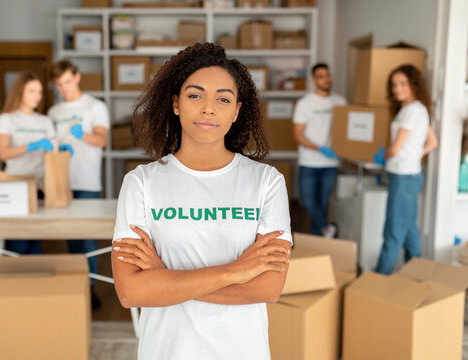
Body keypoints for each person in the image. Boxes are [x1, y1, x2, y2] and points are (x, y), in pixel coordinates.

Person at [111, 43, 292, 360]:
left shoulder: (267, 183)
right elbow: (132, 292)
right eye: (195, 95)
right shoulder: (141, 183)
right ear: (176, 103)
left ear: (236, 111)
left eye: (223, 99)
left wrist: (166, 279)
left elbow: (268, 289)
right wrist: (235, 272)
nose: (209, 108)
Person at [48, 60, 110, 309]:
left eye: (67, 81)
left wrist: (80, 134)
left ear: (77, 77)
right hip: (60, 181)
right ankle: (74, 286)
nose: (64, 88)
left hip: (86, 180)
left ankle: (90, 289)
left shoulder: (94, 107)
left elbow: (101, 141)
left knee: (86, 239)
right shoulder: (54, 112)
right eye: (58, 84)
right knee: (69, 237)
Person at [0, 72, 70, 254]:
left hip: (39, 186)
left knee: (35, 241)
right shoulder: (6, 120)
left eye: (40, 92)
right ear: (19, 91)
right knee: (18, 242)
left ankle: (32, 281)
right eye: (32, 91)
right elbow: (3, 153)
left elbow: (52, 151)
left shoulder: (44, 122)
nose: (37, 96)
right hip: (15, 187)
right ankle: (15, 280)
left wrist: (62, 149)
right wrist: (31, 146)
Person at [373, 64, 438, 275]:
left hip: (403, 177)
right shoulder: (416, 109)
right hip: (409, 174)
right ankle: (415, 275)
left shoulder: (412, 111)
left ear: (414, 84)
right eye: (394, 85)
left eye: (403, 84)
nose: (397, 89)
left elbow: (395, 147)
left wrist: (383, 156)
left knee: (393, 231)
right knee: (409, 231)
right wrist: (415, 155)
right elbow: (433, 142)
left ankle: (377, 281)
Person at [292, 63, 347, 237]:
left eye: (328, 75)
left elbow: (347, 131)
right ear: (313, 80)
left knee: (322, 205)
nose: (326, 79)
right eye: (321, 76)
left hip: (331, 162)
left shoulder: (340, 102)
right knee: (308, 201)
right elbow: (298, 135)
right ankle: (327, 228)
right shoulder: (305, 104)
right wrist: (320, 148)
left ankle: (318, 241)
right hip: (309, 161)